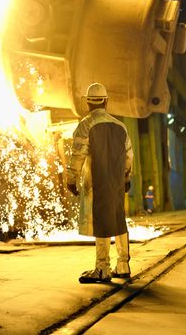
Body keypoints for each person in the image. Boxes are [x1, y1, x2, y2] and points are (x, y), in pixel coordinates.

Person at [67, 82, 133, 283]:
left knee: (102, 221)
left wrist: (71, 179)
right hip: (116, 182)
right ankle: (123, 265)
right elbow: (129, 156)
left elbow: (77, 154)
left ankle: (102, 269)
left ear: (87, 103)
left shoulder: (85, 125)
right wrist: (126, 178)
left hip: (96, 181)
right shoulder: (120, 126)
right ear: (106, 101)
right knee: (118, 219)